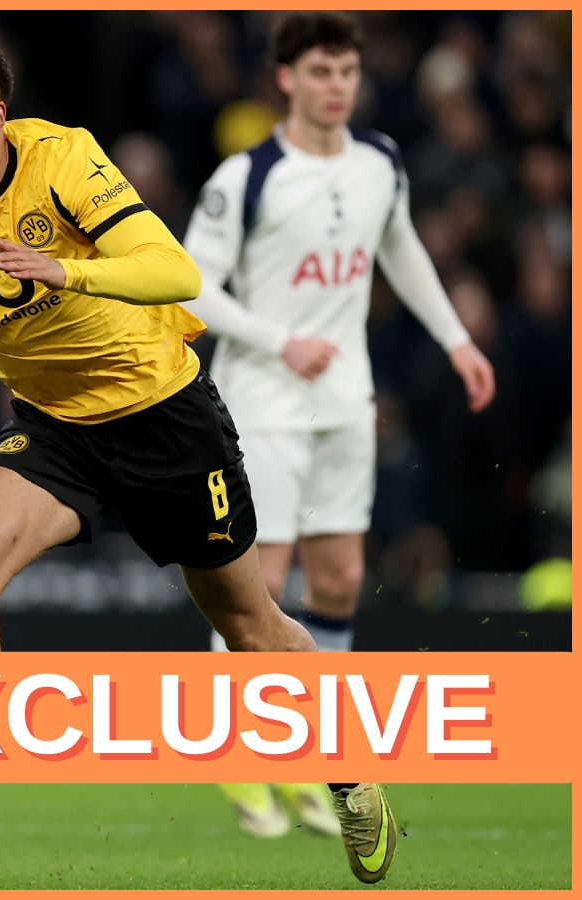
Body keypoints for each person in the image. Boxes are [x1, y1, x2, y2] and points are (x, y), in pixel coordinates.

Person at [0, 34, 388, 888]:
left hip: (166, 419)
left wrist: (66, 270)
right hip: (57, 430)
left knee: (248, 626)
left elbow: (173, 269)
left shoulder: (62, 160)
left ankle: (351, 775)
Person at [183, 12, 492, 870]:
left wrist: (455, 340)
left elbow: (404, 251)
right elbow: (188, 281)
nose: (336, 85)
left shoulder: (378, 162)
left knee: (341, 577)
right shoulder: (247, 175)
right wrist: (275, 339)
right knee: (262, 581)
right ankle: (243, 758)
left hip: (344, 400)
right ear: (286, 78)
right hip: (265, 399)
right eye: (320, 70)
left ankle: (323, 764)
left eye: (347, 71)